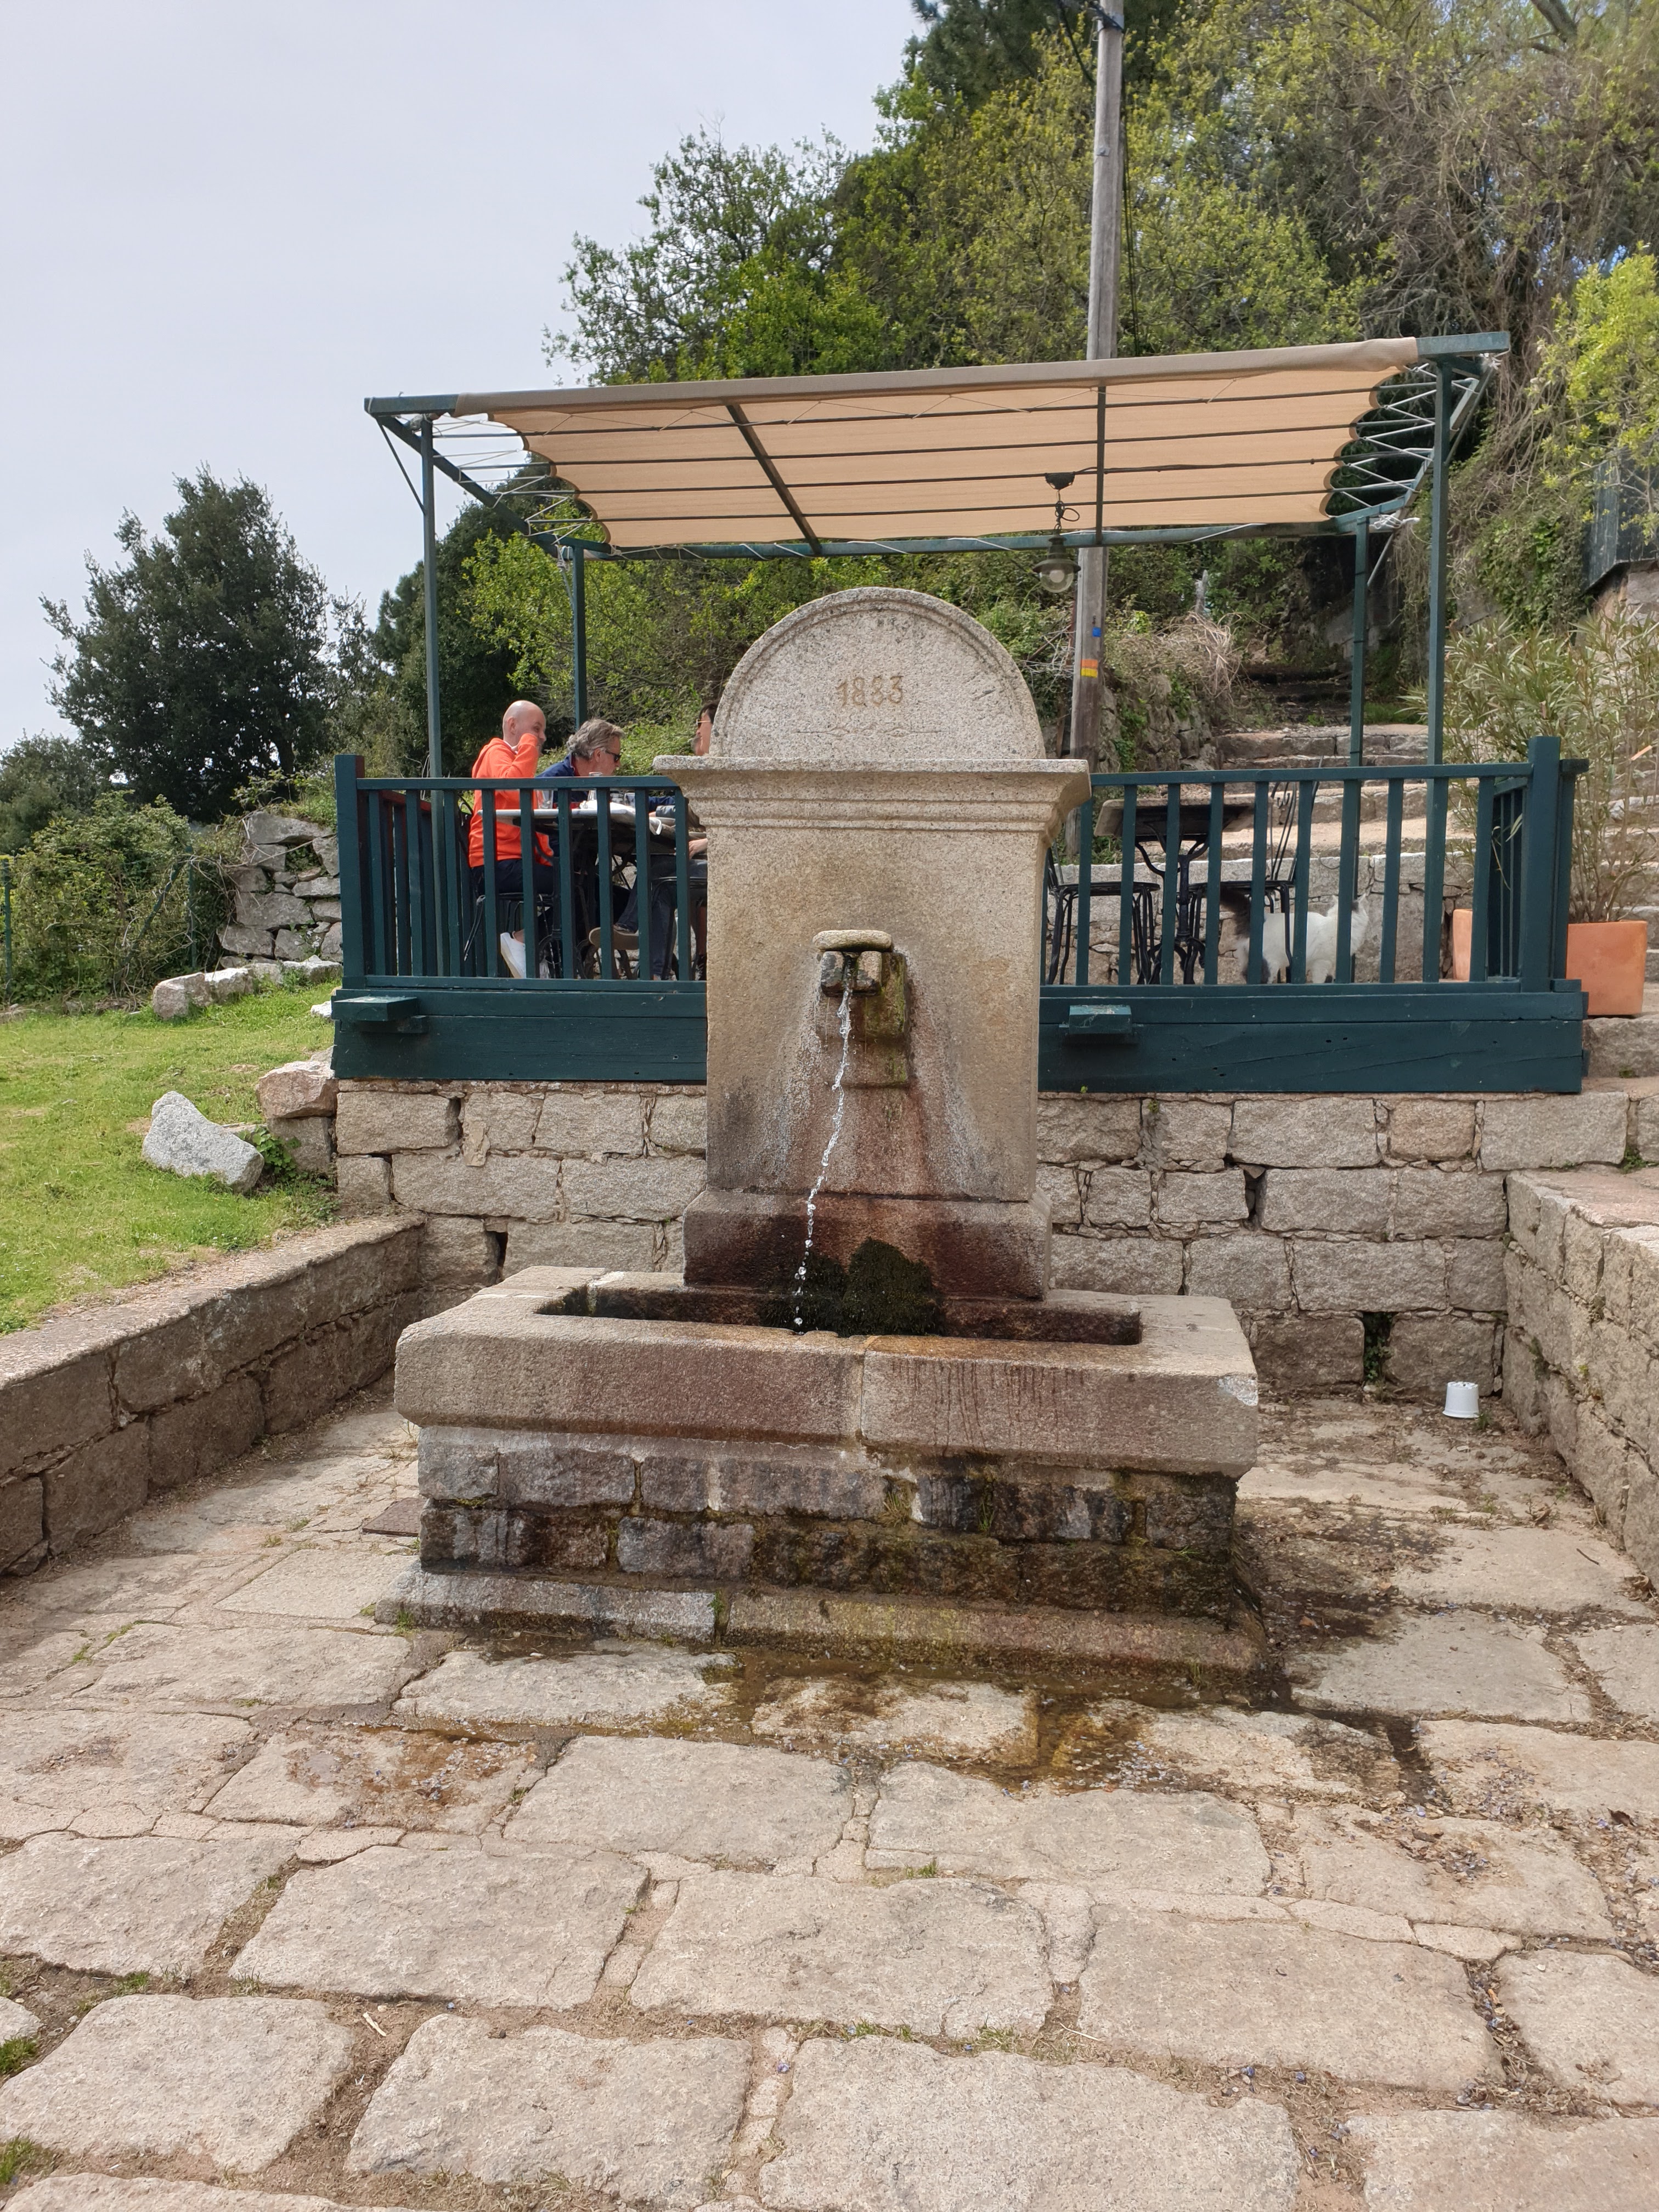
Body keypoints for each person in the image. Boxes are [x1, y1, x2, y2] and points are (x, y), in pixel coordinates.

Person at [467, 700, 552, 977]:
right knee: (577, 887)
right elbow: (514, 787)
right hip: (497, 865)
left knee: (585, 887)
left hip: (511, 862)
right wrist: (528, 744)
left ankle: (541, 951)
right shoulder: (496, 752)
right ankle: (525, 941)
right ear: (512, 725)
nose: (542, 737)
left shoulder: (515, 761)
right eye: (536, 729)